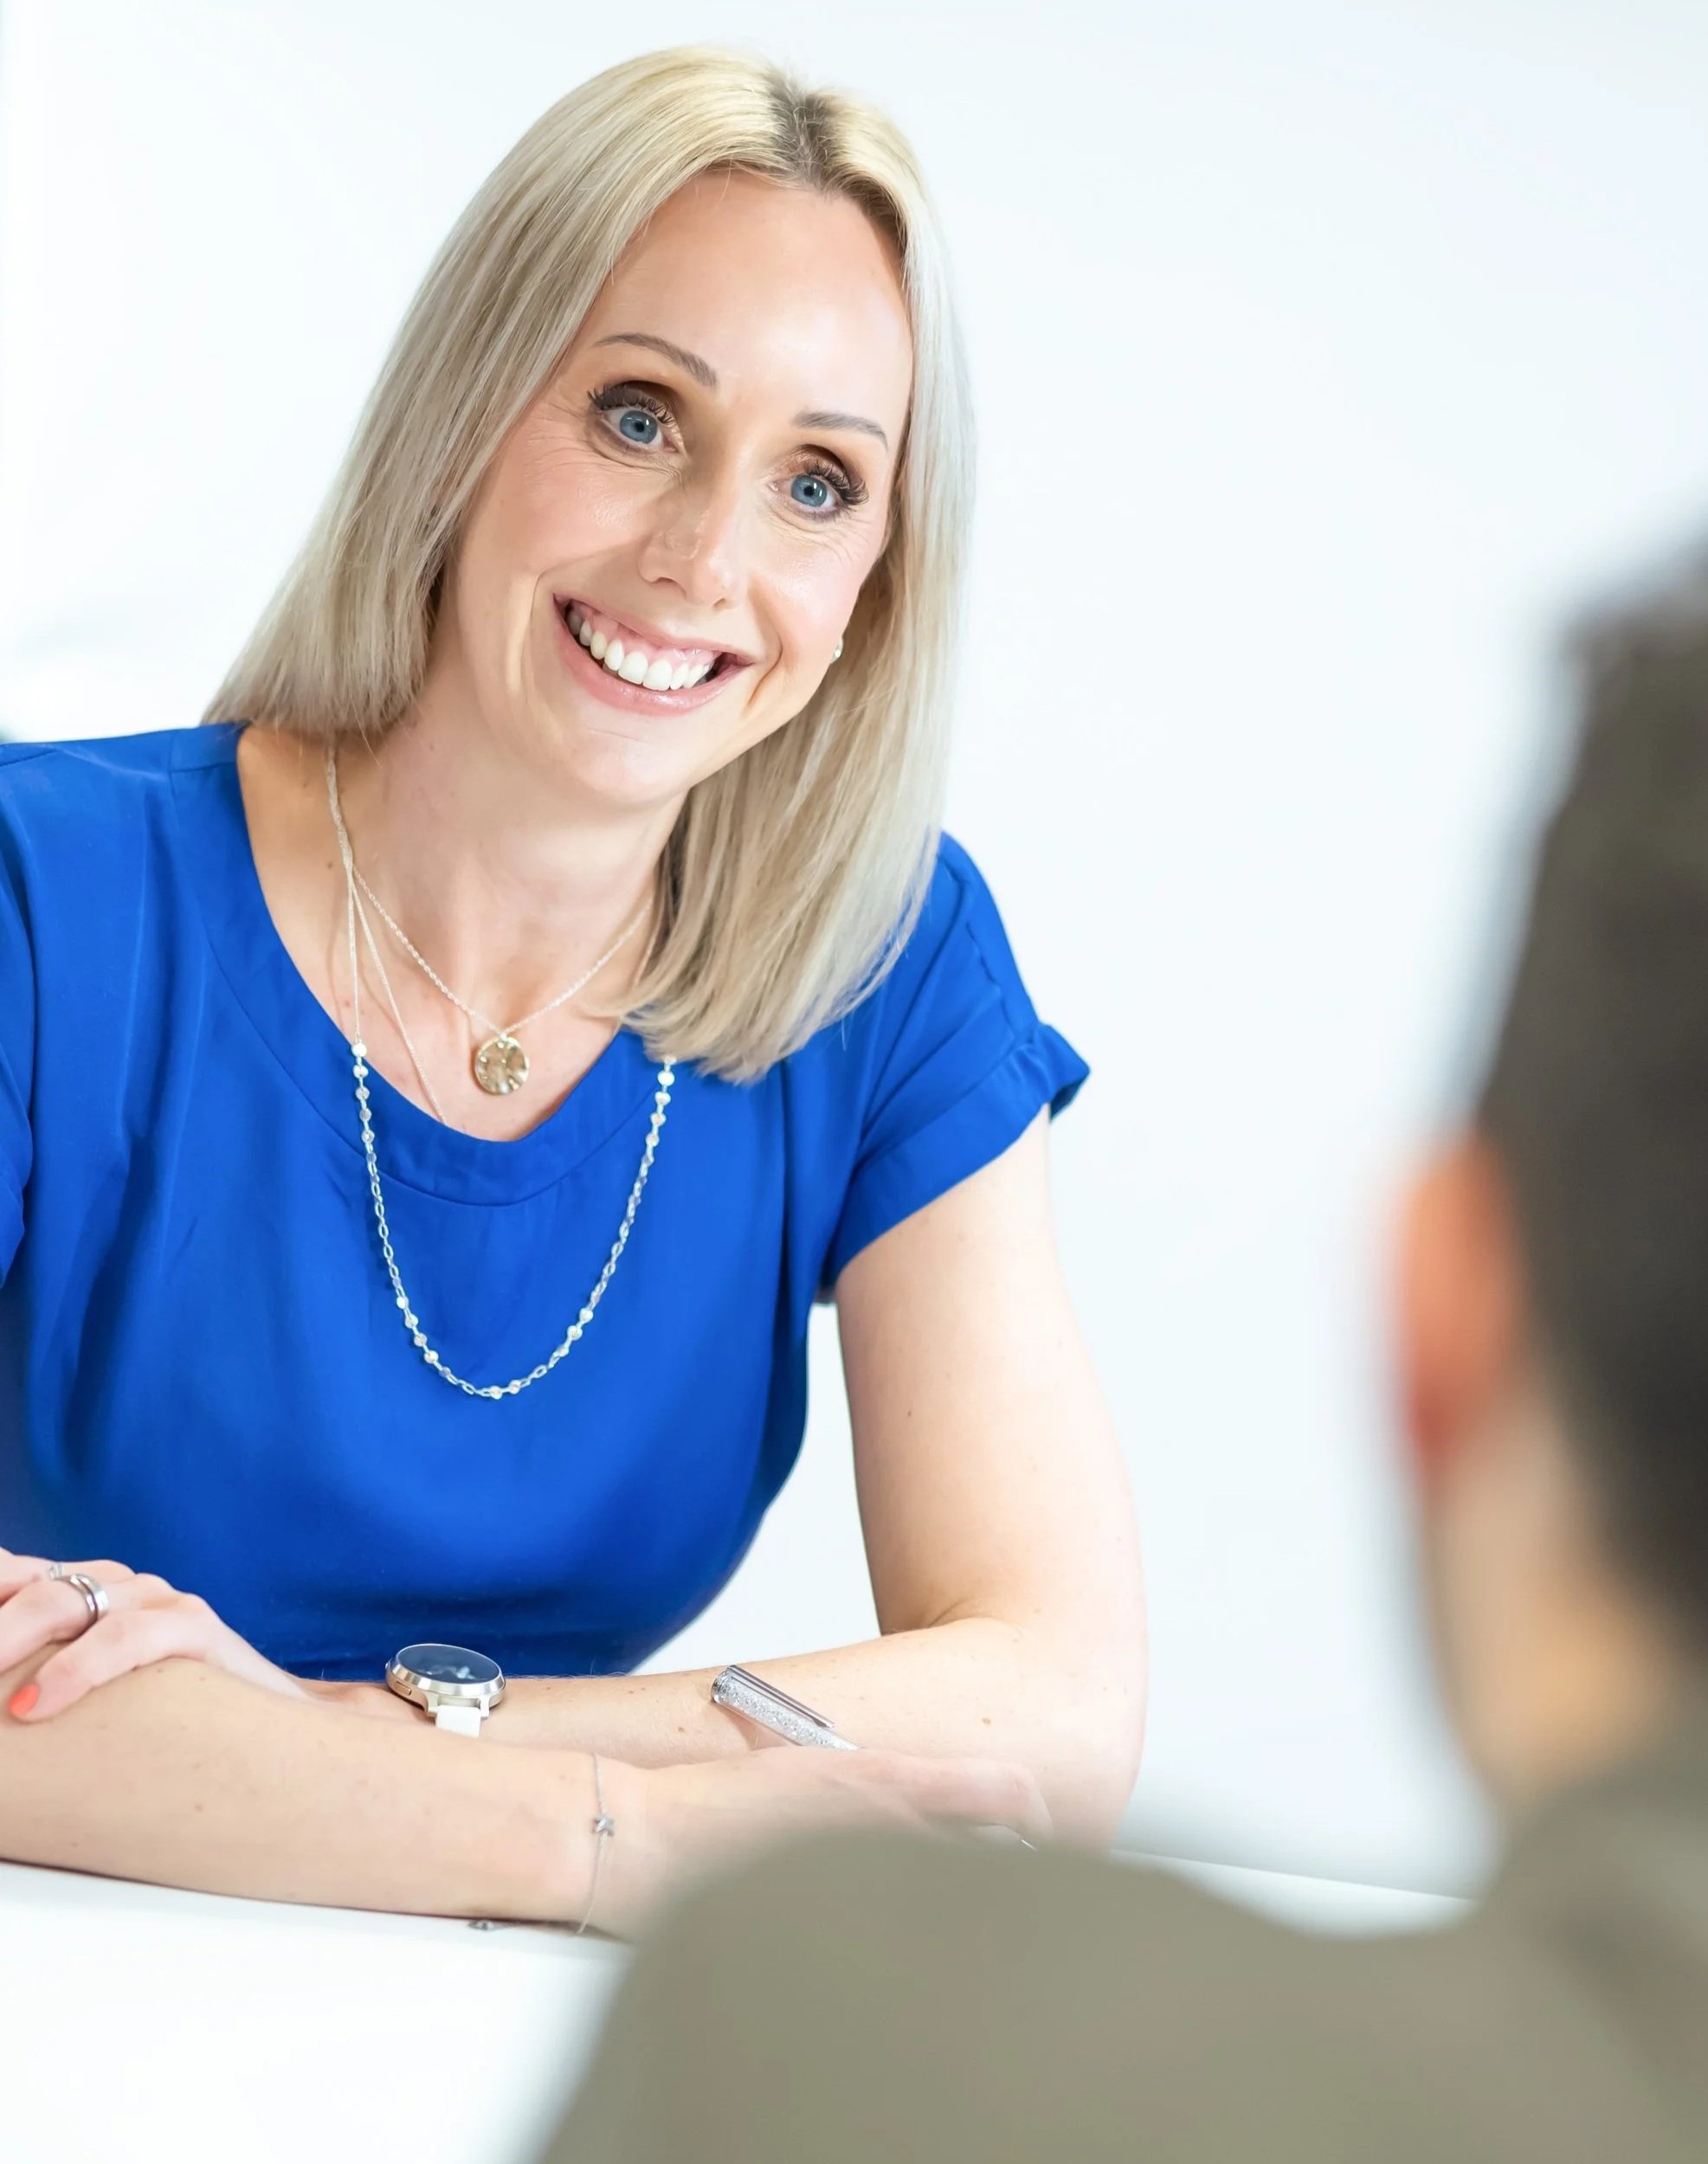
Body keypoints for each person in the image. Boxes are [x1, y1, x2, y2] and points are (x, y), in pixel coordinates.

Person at [541, 466, 1708, 2160]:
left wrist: (386, 1749)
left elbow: (1044, 1708)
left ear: (1442, 1302)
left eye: (817, 483)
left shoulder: (856, 2043)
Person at [0, 48, 1144, 1925]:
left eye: (816, 480)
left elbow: (1051, 1703)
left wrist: (330, 1742)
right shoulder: (48, 891)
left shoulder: (893, 958)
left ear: (877, 570)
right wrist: (613, 1832)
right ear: (466, 411)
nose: (703, 560)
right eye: (634, 416)